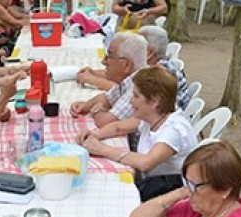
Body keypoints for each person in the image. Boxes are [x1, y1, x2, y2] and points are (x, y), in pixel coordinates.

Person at [78, 66, 198, 201]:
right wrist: (95, 135)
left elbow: (145, 163)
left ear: (154, 101)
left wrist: (101, 149)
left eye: (136, 96)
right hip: (153, 185)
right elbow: (118, 127)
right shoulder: (153, 117)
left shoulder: (174, 130)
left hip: (170, 195)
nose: (131, 101)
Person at [78, 26, 190, 111]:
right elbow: (122, 77)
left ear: (149, 53)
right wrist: (92, 72)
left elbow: (126, 89)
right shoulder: (152, 66)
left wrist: (92, 80)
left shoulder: (160, 73)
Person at [70, 32, 149, 128]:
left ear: (126, 65)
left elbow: (105, 122)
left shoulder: (140, 85)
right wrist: (86, 105)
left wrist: (97, 109)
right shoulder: (127, 79)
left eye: (109, 57)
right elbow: (107, 98)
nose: (103, 61)